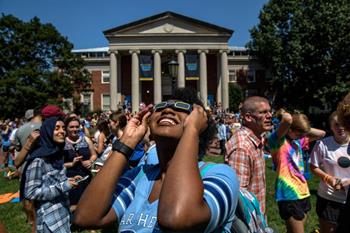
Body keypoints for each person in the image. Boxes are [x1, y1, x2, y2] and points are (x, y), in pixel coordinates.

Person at [74, 87, 239, 232]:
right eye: (161, 107)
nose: (167, 110)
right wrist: (127, 142)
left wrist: (192, 131)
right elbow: (86, 217)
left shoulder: (221, 175)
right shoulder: (140, 176)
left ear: (199, 124)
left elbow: (176, 219)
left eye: (181, 108)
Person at [267, 111, 325, 233]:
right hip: (288, 194)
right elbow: (287, 119)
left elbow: (321, 133)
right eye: (299, 133)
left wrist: (303, 129)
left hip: (303, 191)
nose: (301, 136)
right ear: (289, 129)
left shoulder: (298, 141)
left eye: (302, 134)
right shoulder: (277, 141)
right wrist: (288, 118)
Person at [22, 116, 80, 233]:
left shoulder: (57, 155)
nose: (62, 131)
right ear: (48, 131)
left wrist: (69, 181)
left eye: (63, 128)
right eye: (56, 128)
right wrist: (64, 186)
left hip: (63, 214)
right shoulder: (38, 160)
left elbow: (53, 181)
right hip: (50, 221)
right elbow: (31, 192)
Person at [225, 96, 273, 214]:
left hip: (258, 216)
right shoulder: (242, 147)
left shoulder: (256, 139)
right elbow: (239, 197)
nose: (270, 116)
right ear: (248, 117)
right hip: (249, 220)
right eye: (263, 112)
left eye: (270, 111)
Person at [310, 111, 350, 233]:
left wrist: (347, 182)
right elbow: (313, 166)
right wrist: (328, 178)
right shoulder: (322, 144)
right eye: (336, 124)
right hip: (329, 198)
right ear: (331, 127)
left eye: (344, 123)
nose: (341, 127)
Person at [63, 116, 97, 212]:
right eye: (72, 127)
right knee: (73, 204)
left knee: (87, 201)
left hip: (86, 176)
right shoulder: (62, 143)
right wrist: (71, 164)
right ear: (66, 128)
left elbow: (94, 154)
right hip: (70, 177)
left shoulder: (86, 139)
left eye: (77, 127)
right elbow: (58, 164)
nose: (75, 129)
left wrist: (90, 161)